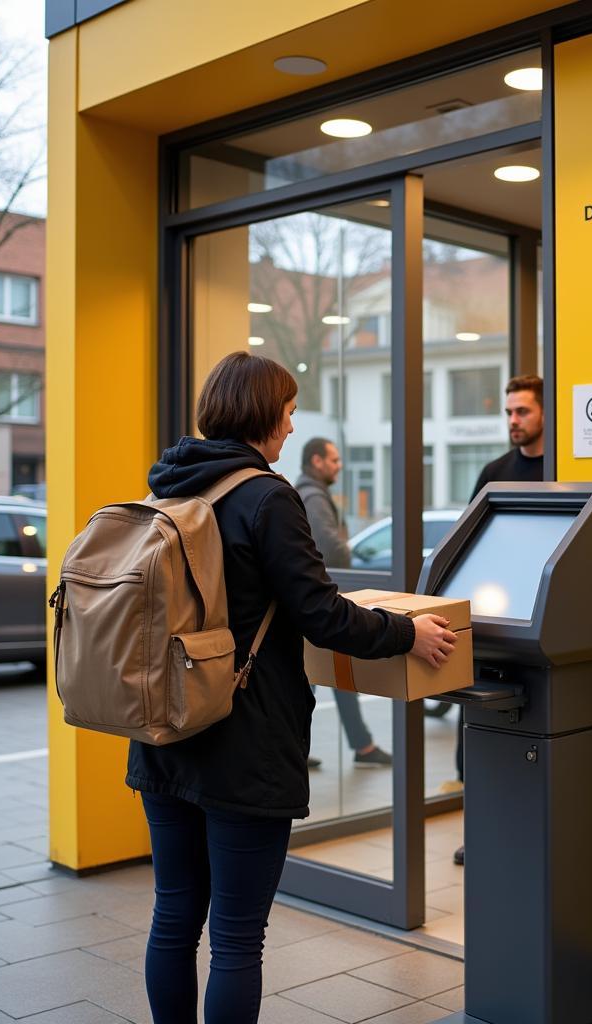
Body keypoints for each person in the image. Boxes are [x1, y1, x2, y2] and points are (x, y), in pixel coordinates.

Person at [125, 351, 456, 1024]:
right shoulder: (266, 496)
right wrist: (406, 634)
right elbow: (320, 612)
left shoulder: (170, 485)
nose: (292, 424)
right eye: (289, 411)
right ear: (263, 415)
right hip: (242, 740)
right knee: (238, 939)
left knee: (174, 914)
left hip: (164, 729)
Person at [451, 373, 544, 866]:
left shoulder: (564, 466)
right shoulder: (494, 471)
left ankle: (525, 831)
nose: (513, 420)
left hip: (541, 616)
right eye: (509, 412)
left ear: (544, 413)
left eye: (523, 411)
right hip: (494, 612)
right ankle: (480, 829)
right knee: (476, 735)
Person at [296, 437, 393, 768]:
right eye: (334, 460)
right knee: (322, 674)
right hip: (319, 600)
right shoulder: (312, 496)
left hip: (312, 601)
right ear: (317, 461)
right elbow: (331, 547)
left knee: (324, 675)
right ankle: (359, 746)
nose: (339, 466)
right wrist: (348, 554)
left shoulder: (311, 494)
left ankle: (356, 745)